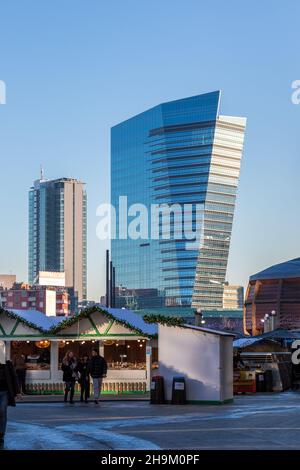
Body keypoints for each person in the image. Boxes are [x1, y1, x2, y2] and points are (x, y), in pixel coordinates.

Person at [0, 360, 20, 443]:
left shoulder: (8, 363)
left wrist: (17, 392)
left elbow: (13, 377)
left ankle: (1, 433)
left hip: (5, 392)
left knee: (2, 411)